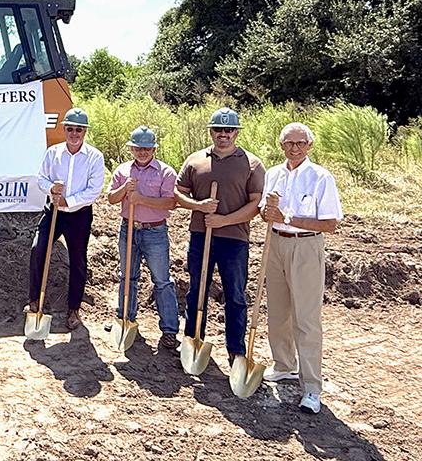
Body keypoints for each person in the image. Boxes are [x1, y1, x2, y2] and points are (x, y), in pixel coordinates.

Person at [259, 123, 342, 415]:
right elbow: (264, 212)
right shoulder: (273, 174)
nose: (294, 148)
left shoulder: (321, 177)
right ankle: (284, 366)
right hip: (275, 244)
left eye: (300, 143)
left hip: (306, 247)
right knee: (278, 312)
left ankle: (311, 388)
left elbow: (330, 224)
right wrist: (266, 212)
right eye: (289, 143)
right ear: (281, 145)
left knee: (306, 318)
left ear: (309, 145)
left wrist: (288, 217)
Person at [175, 108, 265, 366]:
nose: (223, 134)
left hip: (235, 239)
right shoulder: (195, 161)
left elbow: (256, 205)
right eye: (218, 130)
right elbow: (177, 193)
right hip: (201, 236)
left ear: (236, 132)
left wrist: (224, 220)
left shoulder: (252, 164)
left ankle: (236, 350)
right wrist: (199, 206)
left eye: (228, 130)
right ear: (211, 132)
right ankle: (192, 340)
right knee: (197, 290)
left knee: (235, 295)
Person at [27, 108, 105, 330]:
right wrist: (51, 188)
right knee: (37, 250)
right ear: (64, 129)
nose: (74, 133)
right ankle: (35, 301)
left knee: (78, 260)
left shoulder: (94, 157)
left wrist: (69, 201)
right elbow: (41, 177)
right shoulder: (53, 153)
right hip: (53, 213)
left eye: (78, 129)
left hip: (79, 216)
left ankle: (74, 309)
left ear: (85, 131)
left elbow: (94, 190)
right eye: (70, 128)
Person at [106, 126, 179, 349]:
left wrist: (141, 198)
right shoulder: (122, 171)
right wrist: (124, 190)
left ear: (154, 148)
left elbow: (171, 203)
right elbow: (111, 198)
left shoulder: (166, 172)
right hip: (128, 229)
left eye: (147, 148)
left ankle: (169, 330)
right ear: (131, 148)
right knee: (127, 277)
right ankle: (125, 318)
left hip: (155, 231)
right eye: (138, 148)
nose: (142, 152)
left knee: (162, 280)